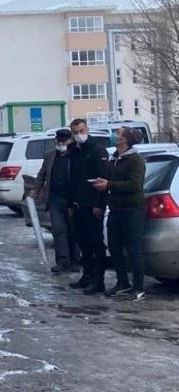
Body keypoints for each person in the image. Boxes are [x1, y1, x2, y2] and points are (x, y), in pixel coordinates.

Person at [93, 127, 146, 301]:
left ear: (125, 139)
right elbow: (110, 180)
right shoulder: (115, 158)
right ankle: (122, 283)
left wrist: (109, 185)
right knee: (114, 248)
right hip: (115, 210)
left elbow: (134, 185)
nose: (114, 135)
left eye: (118, 133)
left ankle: (138, 287)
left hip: (132, 211)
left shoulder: (135, 160)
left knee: (134, 250)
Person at [68, 118, 109, 295]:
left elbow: (103, 179)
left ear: (87, 130)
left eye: (81, 131)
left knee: (95, 243)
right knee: (82, 241)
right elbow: (73, 179)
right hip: (78, 204)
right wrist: (71, 203)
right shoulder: (74, 151)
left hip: (93, 204)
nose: (79, 135)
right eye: (75, 132)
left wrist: (99, 205)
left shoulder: (97, 150)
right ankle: (87, 275)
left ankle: (98, 279)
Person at [30, 129, 81, 273]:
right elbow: (42, 175)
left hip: (71, 199)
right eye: (59, 142)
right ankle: (62, 261)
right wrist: (36, 190)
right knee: (58, 230)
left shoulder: (75, 156)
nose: (61, 144)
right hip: (55, 198)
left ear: (70, 141)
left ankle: (75, 260)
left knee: (73, 230)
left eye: (64, 141)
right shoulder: (50, 156)